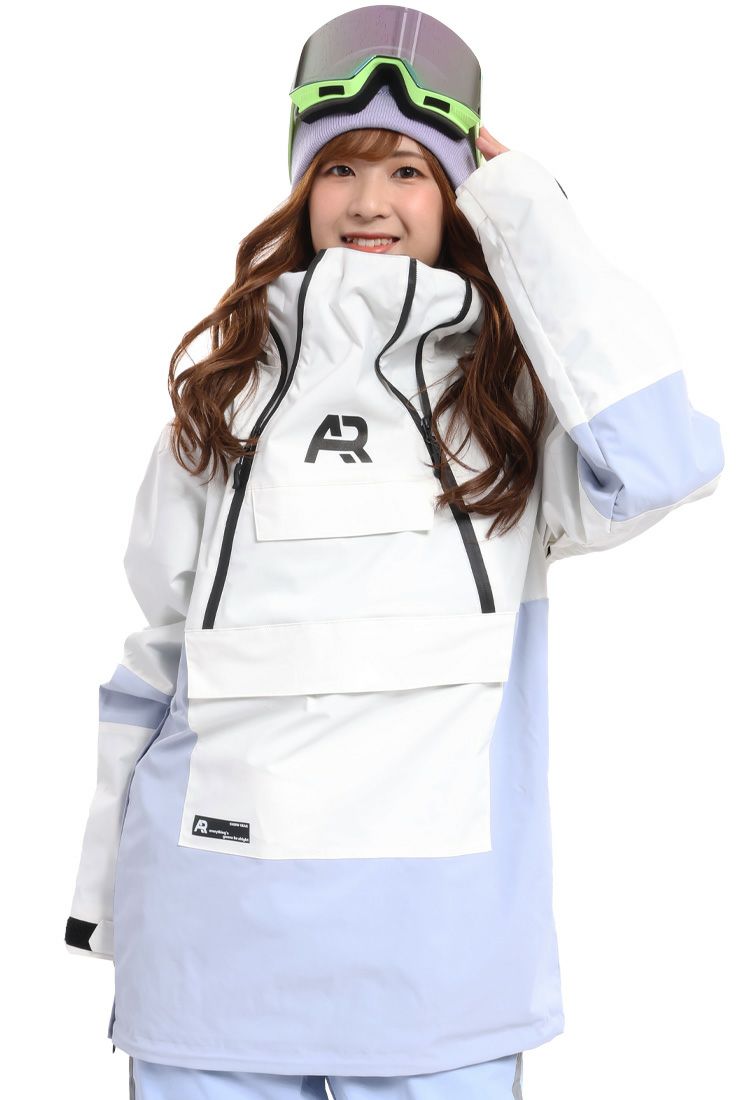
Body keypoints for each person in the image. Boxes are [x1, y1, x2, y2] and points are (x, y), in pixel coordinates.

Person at [64, 6, 724, 1099]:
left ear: (461, 193)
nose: (369, 201)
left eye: (410, 170)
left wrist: (532, 215)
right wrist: (100, 901)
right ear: (300, 189)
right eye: (341, 168)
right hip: (209, 953)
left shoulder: (510, 408)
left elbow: (661, 460)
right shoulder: (221, 402)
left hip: (440, 975)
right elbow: (154, 663)